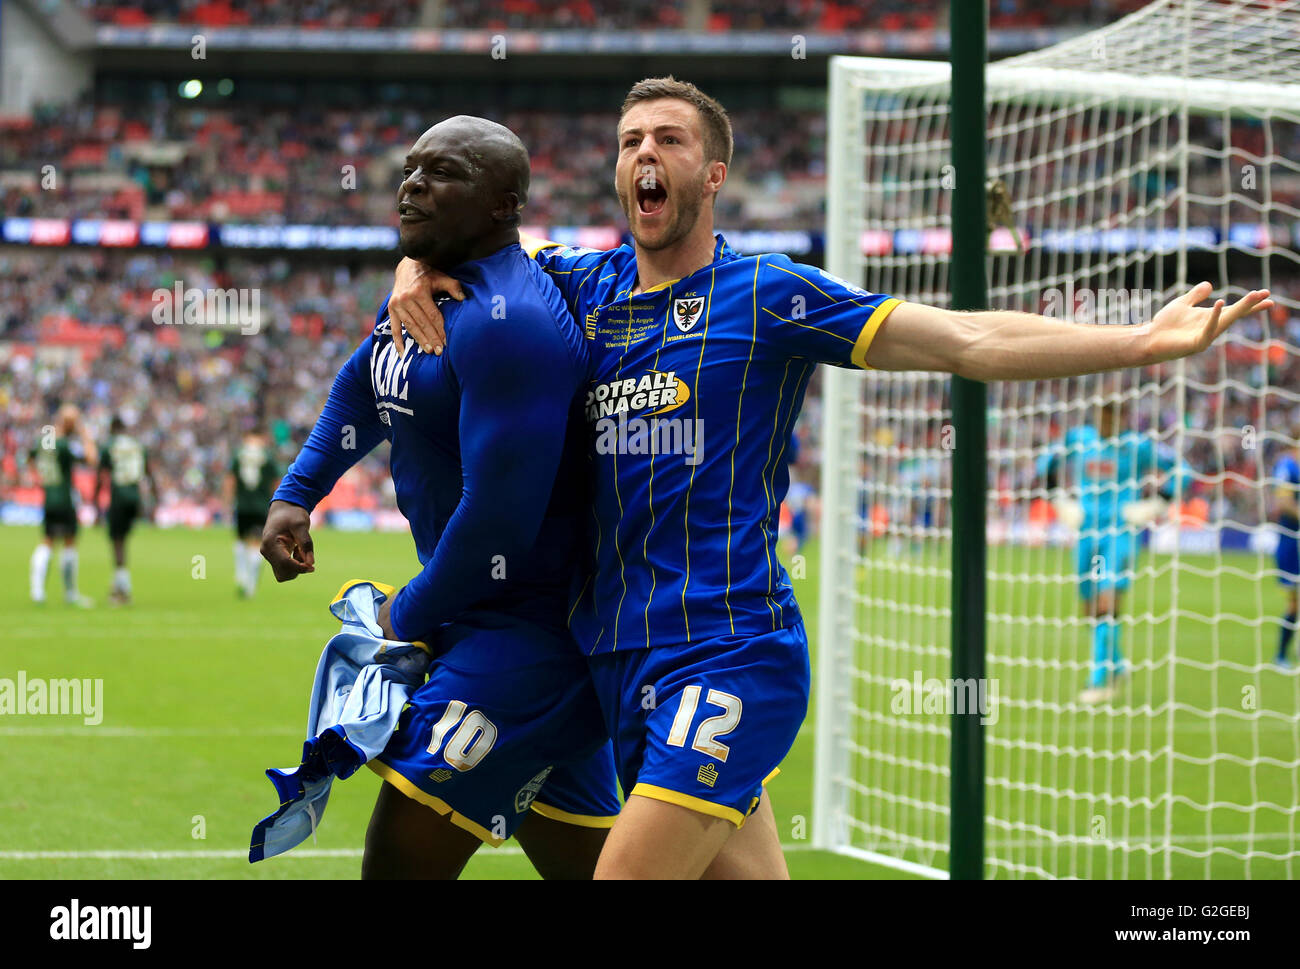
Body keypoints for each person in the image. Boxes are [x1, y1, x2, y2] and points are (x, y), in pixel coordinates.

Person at [386, 76, 1274, 878]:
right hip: (616, 659)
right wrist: (411, 268)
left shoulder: (768, 295)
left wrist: (1141, 342)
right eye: (630, 142)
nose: (645, 154)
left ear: (714, 174)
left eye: (670, 140)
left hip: (729, 651)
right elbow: (471, 245)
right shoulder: (577, 286)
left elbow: (965, 339)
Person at [261, 116, 618, 879]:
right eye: (411, 167)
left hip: (528, 639)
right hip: (481, 621)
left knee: (397, 860)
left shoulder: (510, 326)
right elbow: (366, 381)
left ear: (503, 205)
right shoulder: (428, 291)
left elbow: (498, 526)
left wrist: (406, 616)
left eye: (443, 172)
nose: (412, 184)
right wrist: (299, 492)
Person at [1038, 399, 1190, 702]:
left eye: (1112, 415)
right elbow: (1045, 463)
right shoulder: (1079, 440)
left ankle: (1098, 678)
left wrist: (1157, 501)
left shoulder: (1138, 446)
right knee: (1091, 608)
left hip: (1120, 530)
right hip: (1085, 530)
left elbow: (1182, 470)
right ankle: (1117, 663)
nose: (1106, 422)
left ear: (1122, 417)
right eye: (1102, 415)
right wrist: (1058, 498)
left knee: (1108, 600)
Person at [29, 404, 96, 607]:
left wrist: (41, 480)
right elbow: (91, 460)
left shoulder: (45, 439)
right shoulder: (66, 445)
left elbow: (32, 458)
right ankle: (70, 593)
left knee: (47, 541)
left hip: (49, 497)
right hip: (65, 499)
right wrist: (85, 435)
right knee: (68, 543)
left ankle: (37, 591)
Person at [93, 416, 154, 605]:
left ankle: (123, 590)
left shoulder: (110, 446)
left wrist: (96, 504)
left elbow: (101, 476)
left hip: (119, 496)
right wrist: (154, 501)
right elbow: (149, 474)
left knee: (117, 542)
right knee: (123, 541)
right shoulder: (137, 446)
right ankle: (117, 586)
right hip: (135, 498)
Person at [225, 432, 279, 599]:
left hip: (241, 506)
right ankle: (250, 585)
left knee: (241, 540)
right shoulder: (268, 457)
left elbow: (230, 480)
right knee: (256, 543)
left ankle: (241, 575)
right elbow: (276, 482)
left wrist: (227, 502)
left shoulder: (238, 455)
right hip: (261, 507)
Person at [1271, 425, 1300, 670]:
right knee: (1293, 602)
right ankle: (1280, 656)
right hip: (1291, 541)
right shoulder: (1286, 467)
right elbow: (1283, 502)